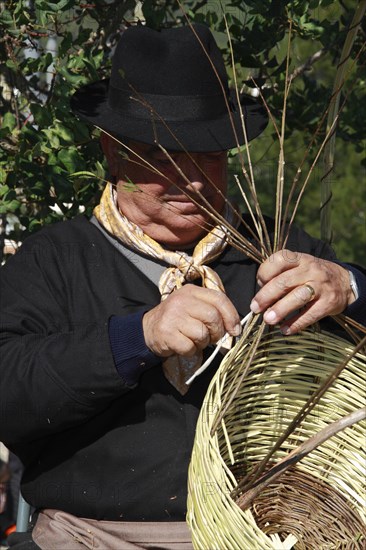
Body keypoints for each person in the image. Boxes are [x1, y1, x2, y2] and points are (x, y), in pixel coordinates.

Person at [1, 23, 365, 550]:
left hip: (262, 535)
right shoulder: (56, 260)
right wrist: (135, 338)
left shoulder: (279, 250)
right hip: (91, 537)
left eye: (209, 155)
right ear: (114, 152)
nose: (193, 179)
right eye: (166, 157)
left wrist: (351, 284)